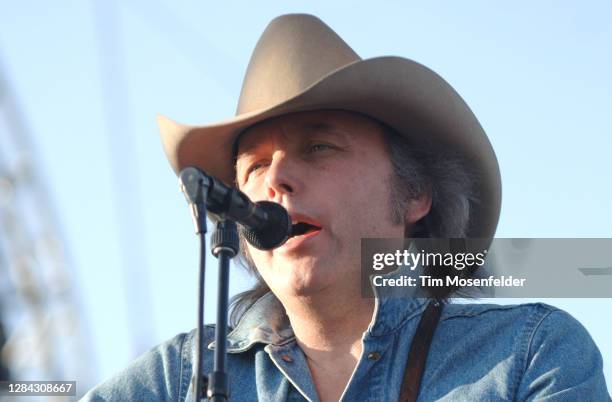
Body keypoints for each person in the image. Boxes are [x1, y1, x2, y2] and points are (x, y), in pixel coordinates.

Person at [83, 14, 610, 401]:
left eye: (319, 147)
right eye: (253, 168)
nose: (278, 180)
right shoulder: (175, 381)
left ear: (415, 193)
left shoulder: (532, 354)